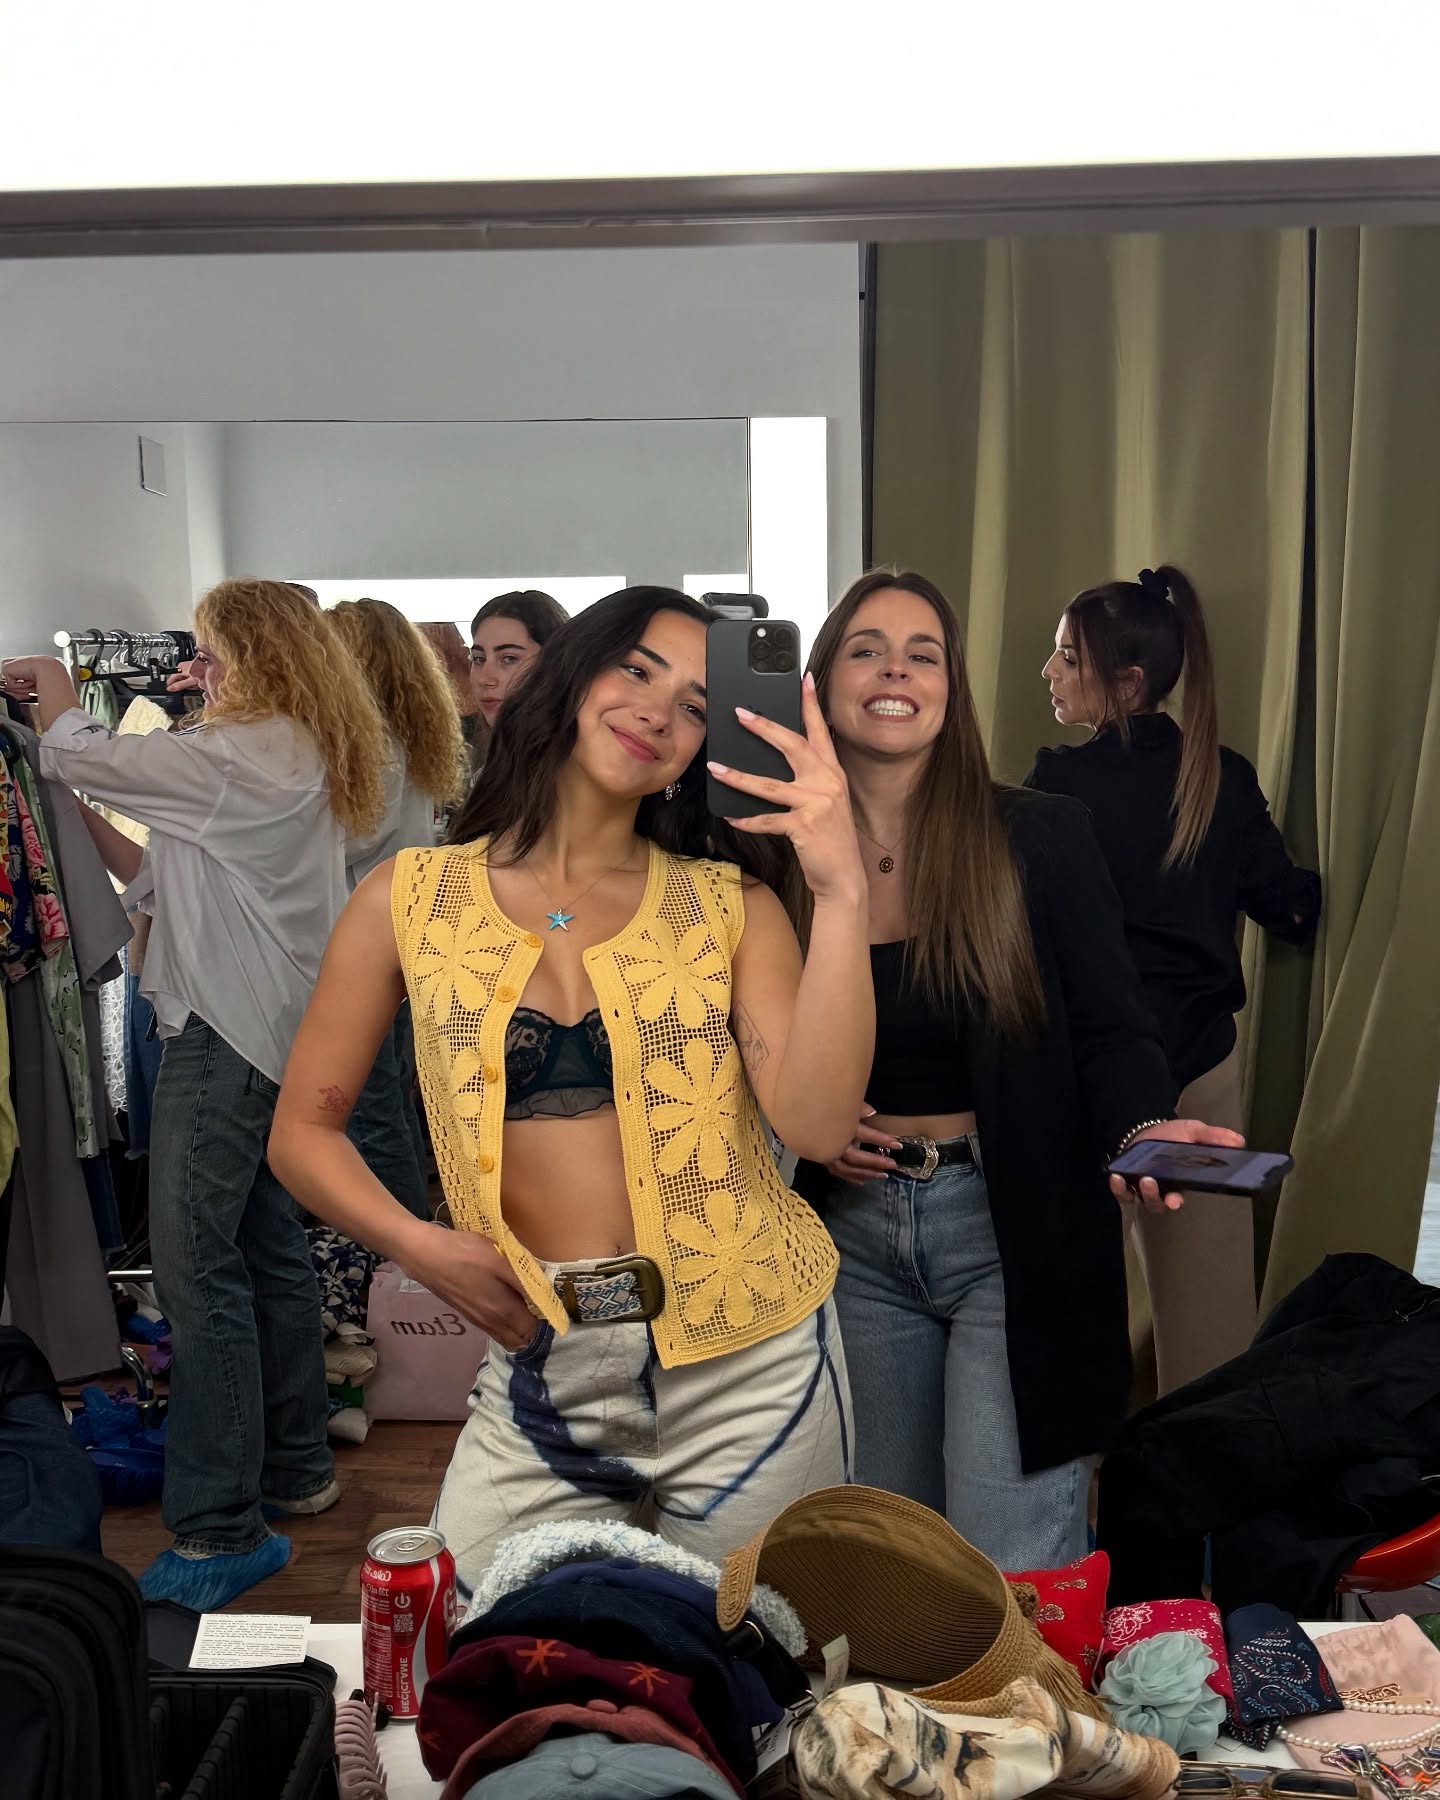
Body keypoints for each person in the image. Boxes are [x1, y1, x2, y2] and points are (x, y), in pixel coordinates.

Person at [269, 587, 873, 1599]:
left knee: (759, 1661)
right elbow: (303, 1132)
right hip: (542, 1365)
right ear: (574, 674)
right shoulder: (407, 900)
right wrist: (422, 1248)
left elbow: (813, 1125)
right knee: (477, 1642)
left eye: (694, 705)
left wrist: (842, 889)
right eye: (636, 669)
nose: (658, 712)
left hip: (753, 1361)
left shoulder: (732, 905)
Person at [786, 569, 1243, 1572]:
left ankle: (1022, 1690)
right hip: (846, 1237)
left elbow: (1113, 1027)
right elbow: (740, 1033)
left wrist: (1142, 1126)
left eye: (923, 655)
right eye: (867, 650)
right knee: (893, 1562)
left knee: (1011, 1564)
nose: (896, 671)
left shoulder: (1039, 834)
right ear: (819, 680)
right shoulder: (773, 857)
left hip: (1015, 1226)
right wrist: (804, 1119)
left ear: (950, 688)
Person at [3, 579, 389, 1610]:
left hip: (224, 1035)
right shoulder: (281, 752)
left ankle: (220, 1527)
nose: (194, 668)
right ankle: (296, 1465)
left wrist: (49, 685)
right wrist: (67, 805)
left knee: (193, 1266)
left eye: (211, 651)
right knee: (263, 1249)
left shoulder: (244, 751)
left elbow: (86, 747)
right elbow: (162, 870)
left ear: (255, 655)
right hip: (261, 1032)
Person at [1030, 565, 1321, 1395]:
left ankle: (1080, 1478)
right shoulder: (1223, 776)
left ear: (1126, 683)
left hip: (1086, 1081)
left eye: (1067, 658)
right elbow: (1289, 907)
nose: (1048, 672)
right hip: (1200, 1074)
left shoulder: (1057, 785)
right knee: (1211, 1334)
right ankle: (1201, 1473)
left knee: (1065, 1322)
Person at [327, 598, 467, 1216]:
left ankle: (401, 1249)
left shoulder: (375, 746)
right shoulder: (406, 735)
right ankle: (407, 1240)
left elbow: (348, 841)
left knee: (372, 1108)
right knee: (387, 1103)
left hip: (371, 945)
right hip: (399, 937)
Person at [468, 589, 569, 770]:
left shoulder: (581, 767)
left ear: (554, 664)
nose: (484, 679)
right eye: (479, 659)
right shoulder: (489, 766)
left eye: (509, 658)